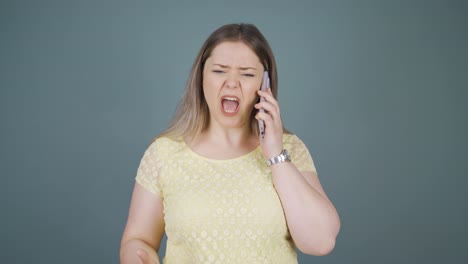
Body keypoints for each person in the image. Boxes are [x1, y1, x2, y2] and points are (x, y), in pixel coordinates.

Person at [120, 23, 340, 264]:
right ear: (201, 77)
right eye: (219, 71)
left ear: (264, 85)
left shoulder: (290, 150)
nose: (232, 83)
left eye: (246, 74)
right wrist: (137, 257)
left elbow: (320, 242)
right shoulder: (163, 154)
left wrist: (276, 155)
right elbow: (138, 239)